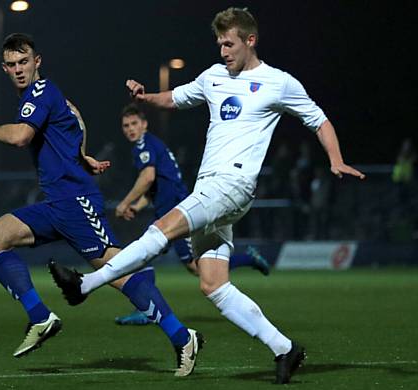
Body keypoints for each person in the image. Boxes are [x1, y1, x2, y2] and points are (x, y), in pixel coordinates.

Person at [48, 8, 365, 384]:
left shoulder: (277, 82)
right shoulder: (213, 77)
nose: (222, 50)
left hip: (232, 185)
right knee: (213, 285)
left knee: (161, 230)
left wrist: (336, 159)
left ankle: (84, 285)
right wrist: (146, 96)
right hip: (209, 189)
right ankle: (284, 348)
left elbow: (319, 119)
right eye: (219, 43)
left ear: (251, 41)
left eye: (229, 43)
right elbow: (176, 98)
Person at [0, 33, 203, 377]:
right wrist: (81, 155)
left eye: (23, 62)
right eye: (11, 64)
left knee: (119, 272)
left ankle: (183, 337)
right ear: (4, 67)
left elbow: (20, 137)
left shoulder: (41, 92)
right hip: (54, 203)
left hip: (75, 203)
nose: (18, 69)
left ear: (37, 61)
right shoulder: (41, 96)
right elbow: (76, 118)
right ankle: (40, 317)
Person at [114, 103, 270, 325]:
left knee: (197, 268)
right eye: (125, 125)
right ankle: (146, 310)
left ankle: (249, 258)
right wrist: (137, 207)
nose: (130, 129)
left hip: (177, 213)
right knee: (144, 257)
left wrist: (124, 203)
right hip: (166, 210)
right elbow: (155, 187)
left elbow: (147, 178)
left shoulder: (145, 146)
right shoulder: (146, 145)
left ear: (144, 125)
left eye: (134, 124)